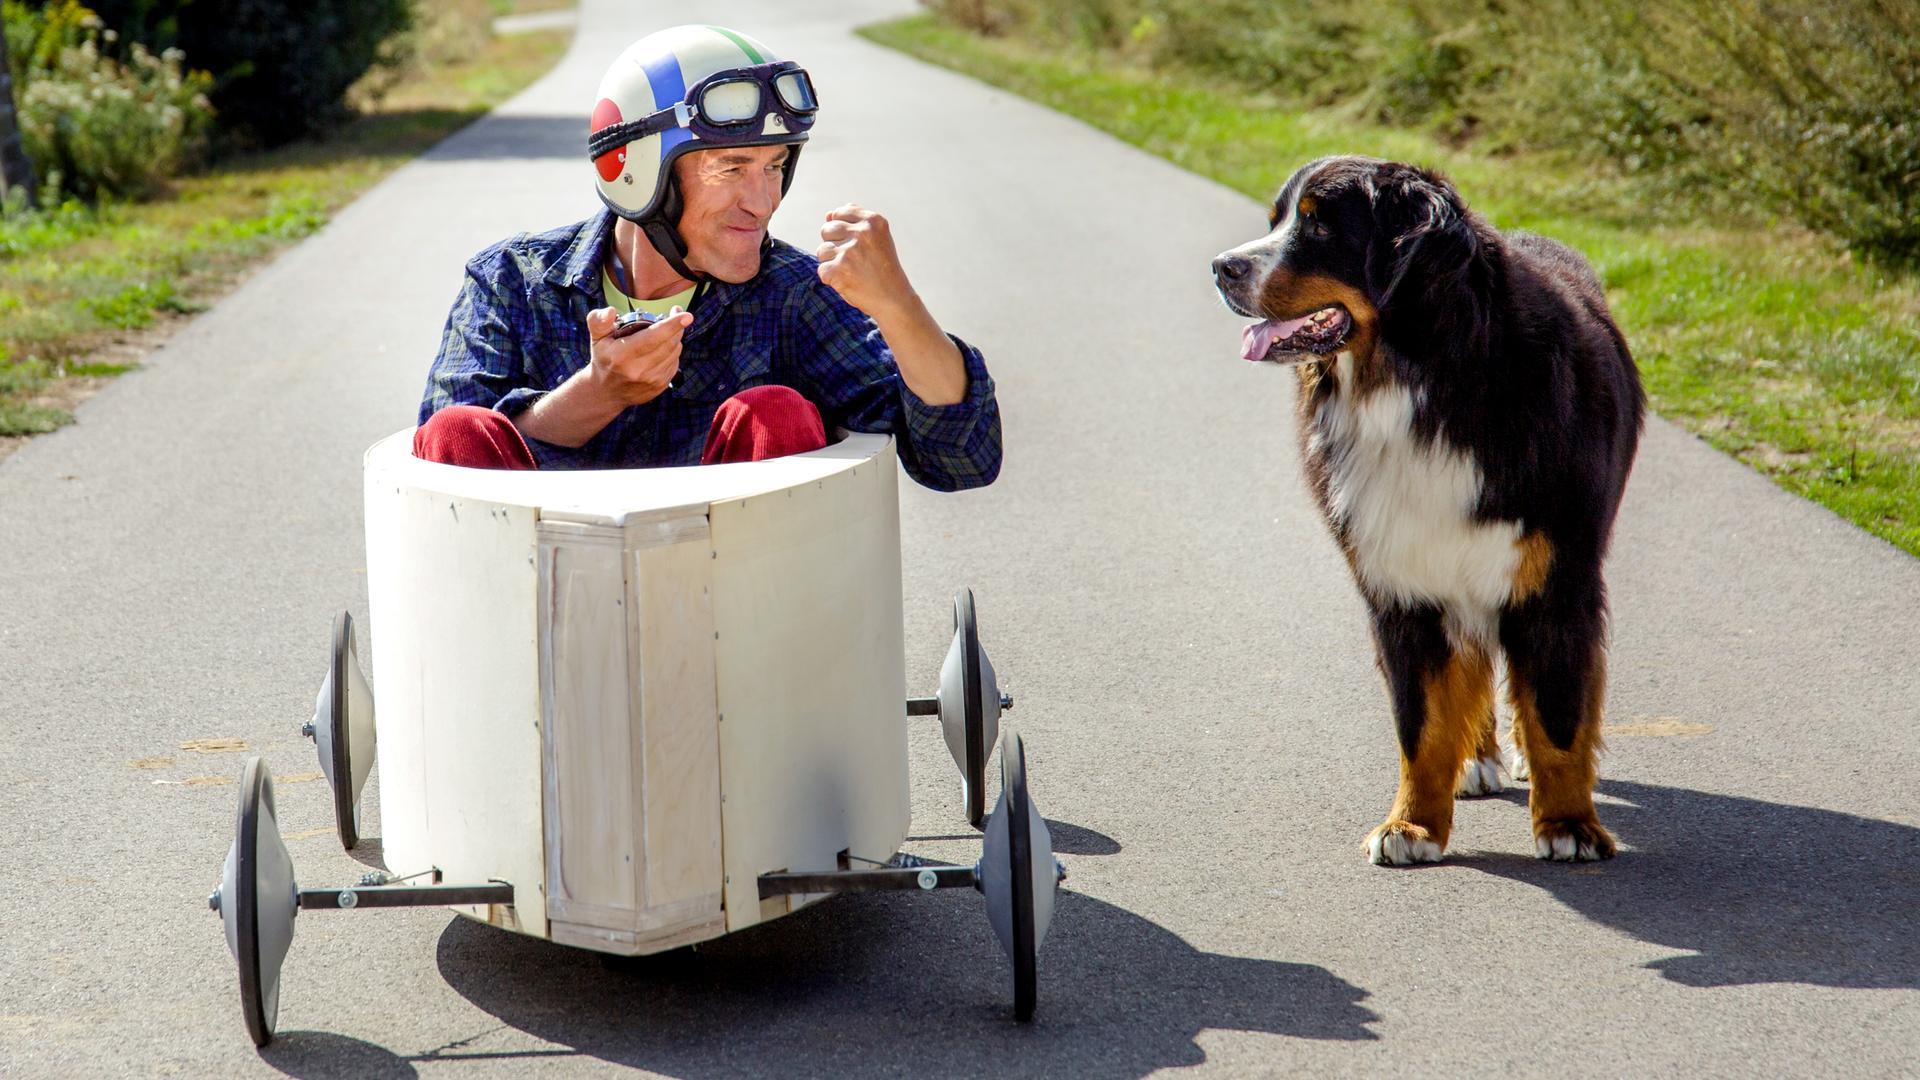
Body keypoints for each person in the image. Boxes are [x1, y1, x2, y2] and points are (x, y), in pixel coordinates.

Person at [414, 24, 1001, 492]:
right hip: (539, 594)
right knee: (456, 430)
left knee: (774, 414)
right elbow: (443, 462)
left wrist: (898, 305)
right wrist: (600, 391)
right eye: (731, 167)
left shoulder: (796, 293)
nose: (763, 201)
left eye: (775, 165)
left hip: (742, 600)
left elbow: (961, 461)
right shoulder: (510, 280)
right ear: (635, 169)